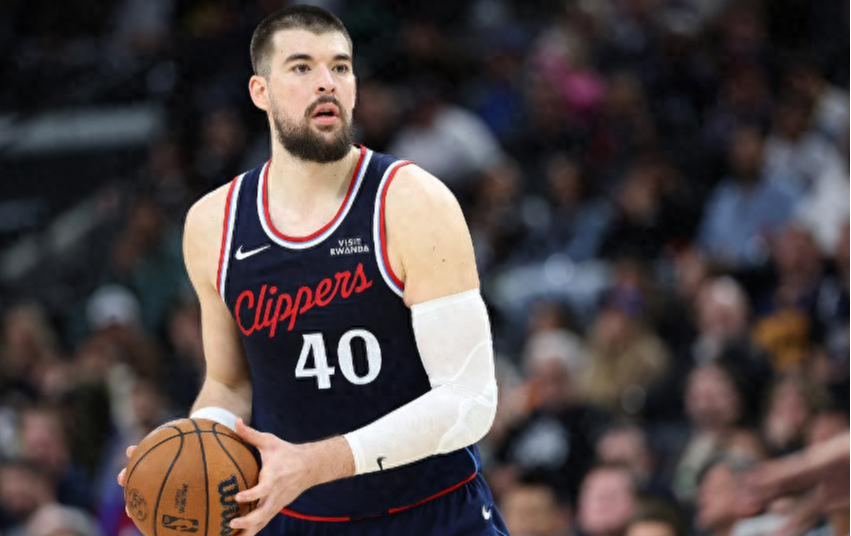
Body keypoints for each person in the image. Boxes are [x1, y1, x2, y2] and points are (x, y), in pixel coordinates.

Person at [118, 5, 509, 536]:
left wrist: (317, 463)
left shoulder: (411, 202)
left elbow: (469, 401)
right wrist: (189, 453)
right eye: (302, 67)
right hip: (297, 521)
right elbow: (229, 383)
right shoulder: (215, 223)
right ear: (260, 91)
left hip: (432, 515)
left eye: (340, 67)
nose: (327, 82)